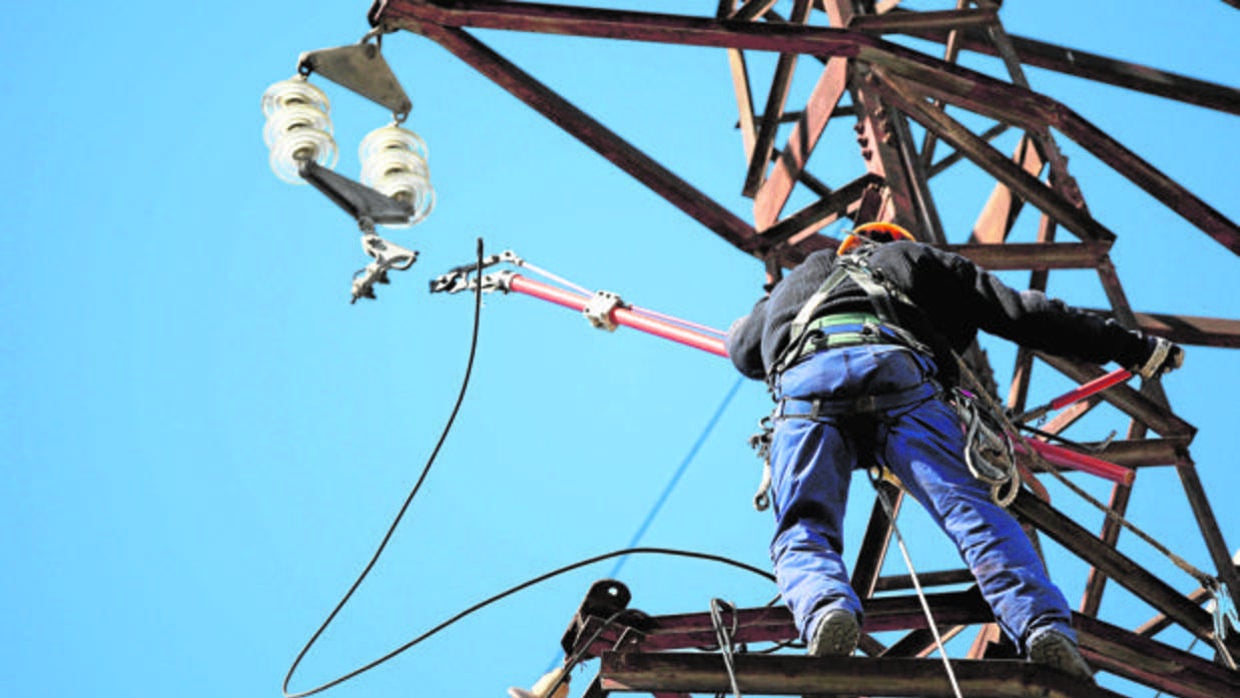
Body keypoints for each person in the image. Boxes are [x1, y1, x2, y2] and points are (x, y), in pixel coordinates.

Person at [725, 222, 1184, 679]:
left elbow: (744, 349)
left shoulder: (797, 280)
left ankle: (824, 607)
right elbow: (1022, 313)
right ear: (896, 241)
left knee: (803, 525)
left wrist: (747, 323)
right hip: (899, 377)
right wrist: (1131, 347)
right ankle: (1041, 625)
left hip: (808, 388)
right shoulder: (916, 259)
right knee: (975, 516)